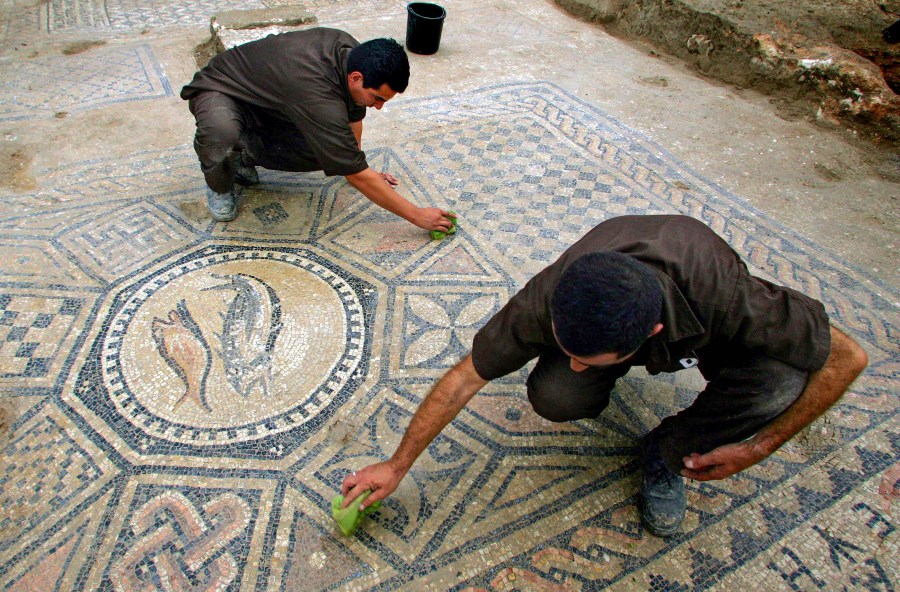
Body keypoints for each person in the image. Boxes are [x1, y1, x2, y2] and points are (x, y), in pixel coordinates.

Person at [341, 214, 868, 537]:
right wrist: (397, 464)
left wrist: (759, 447)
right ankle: (599, 379)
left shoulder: (730, 298)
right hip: (628, 302)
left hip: (703, 307)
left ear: (651, 335)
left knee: (779, 381)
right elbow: (462, 380)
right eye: (566, 348)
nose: (570, 360)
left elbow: (849, 357)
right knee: (557, 393)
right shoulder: (546, 301)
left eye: (586, 358)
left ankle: (664, 453)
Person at [181, 27, 454, 230]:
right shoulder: (316, 92)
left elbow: (352, 123)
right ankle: (220, 181)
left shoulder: (352, 55)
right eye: (378, 98)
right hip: (222, 90)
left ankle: (244, 155)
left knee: (330, 152)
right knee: (222, 132)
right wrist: (416, 215)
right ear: (357, 78)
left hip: (273, 102)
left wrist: (361, 165)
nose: (379, 107)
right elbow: (352, 174)